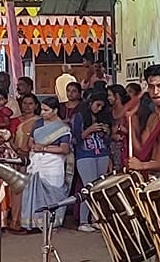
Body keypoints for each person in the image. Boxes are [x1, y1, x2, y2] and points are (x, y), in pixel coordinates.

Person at [20, 97, 72, 231]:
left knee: (52, 191)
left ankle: (52, 223)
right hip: (36, 161)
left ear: (55, 111)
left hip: (53, 163)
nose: (42, 113)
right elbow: (30, 141)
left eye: (46, 110)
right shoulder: (38, 124)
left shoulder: (63, 128)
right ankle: (33, 223)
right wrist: (34, 147)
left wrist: (43, 148)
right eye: (42, 109)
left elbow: (64, 149)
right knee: (33, 190)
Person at [72, 91, 114, 232]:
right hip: (85, 155)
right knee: (88, 188)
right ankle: (83, 221)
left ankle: (95, 218)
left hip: (101, 153)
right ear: (90, 103)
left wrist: (106, 132)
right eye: (97, 105)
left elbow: (107, 141)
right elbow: (76, 139)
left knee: (98, 188)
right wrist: (90, 129)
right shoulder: (79, 117)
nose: (99, 109)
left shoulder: (102, 117)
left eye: (102, 106)